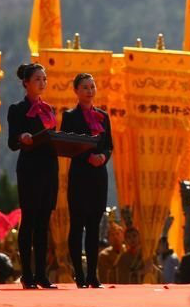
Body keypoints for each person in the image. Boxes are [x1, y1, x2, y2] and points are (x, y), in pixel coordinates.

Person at [7, 63, 59, 289]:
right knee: (28, 220)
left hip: (49, 168)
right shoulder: (17, 109)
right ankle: (27, 274)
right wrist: (22, 137)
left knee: (43, 223)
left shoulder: (49, 110)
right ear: (26, 83)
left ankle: (42, 274)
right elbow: (11, 142)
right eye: (37, 79)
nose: (42, 83)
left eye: (44, 79)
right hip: (29, 169)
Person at [61, 73, 113, 289]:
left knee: (94, 227)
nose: (90, 91)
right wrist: (87, 156)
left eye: (92, 86)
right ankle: (79, 275)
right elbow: (67, 145)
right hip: (80, 176)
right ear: (76, 90)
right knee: (77, 225)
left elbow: (109, 145)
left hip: (99, 176)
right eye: (85, 87)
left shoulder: (103, 116)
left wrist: (103, 157)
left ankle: (93, 275)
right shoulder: (70, 116)